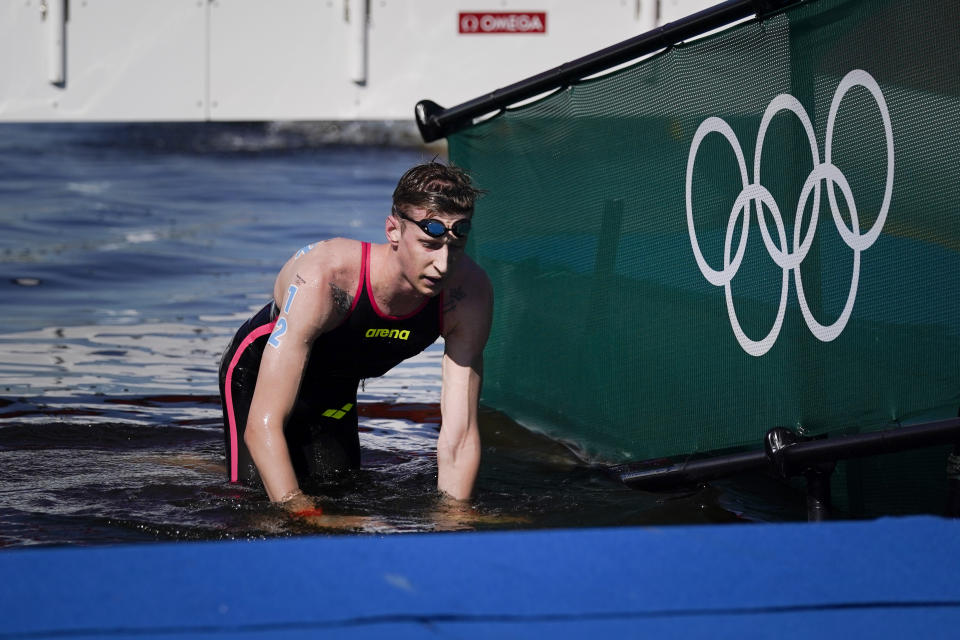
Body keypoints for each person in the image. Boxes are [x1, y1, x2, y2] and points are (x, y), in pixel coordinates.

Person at [218, 162, 492, 518]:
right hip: (257, 377)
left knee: (343, 497)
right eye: (429, 244)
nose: (443, 265)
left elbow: (460, 435)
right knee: (260, 509)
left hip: (336, 383)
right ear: (393, 230)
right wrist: (301, 513)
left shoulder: (468, 293)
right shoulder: (325, 279)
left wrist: (455, 517)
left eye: (456, 247)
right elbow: (262, 425)